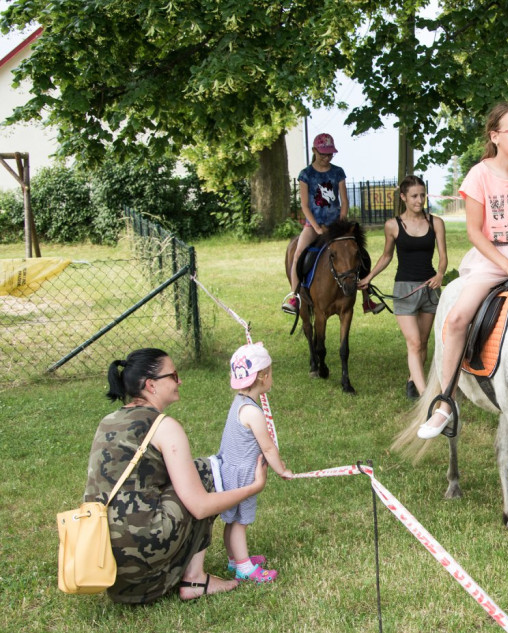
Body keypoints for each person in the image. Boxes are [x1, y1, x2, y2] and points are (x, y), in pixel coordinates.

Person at [83, 348, 269, 604]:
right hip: (142, 559)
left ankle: (178, 572)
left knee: (185, 473)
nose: (180, 381)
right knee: (206, 470)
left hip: (106, 566)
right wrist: (253, 487)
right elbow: (200, 506)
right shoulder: (164, 427)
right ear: (151, 385)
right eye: (173, 375)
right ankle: (195, 580)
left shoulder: (108, 420)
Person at [417, 102, 508, 439]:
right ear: (495, 136)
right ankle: (445, 402)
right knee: (457, 318)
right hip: (494, 259)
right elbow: (475, 232)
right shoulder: (479, 175)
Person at [358, 175, 449, 400]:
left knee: (424, 341)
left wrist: (440, 274)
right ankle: (424, 393)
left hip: (430, 287)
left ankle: (412, 379)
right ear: (403, 197)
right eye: (414, 196)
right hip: (404, 289)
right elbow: (387, 256)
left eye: (422, 195)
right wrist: (369, 277)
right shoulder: (393, 225)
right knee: (414, 342)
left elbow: (443, 256)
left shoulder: (435, 222)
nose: (420, 200)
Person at [215, 343, 293, 583]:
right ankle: (244, 568)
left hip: (229, 471)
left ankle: (233, 559)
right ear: (263, 376)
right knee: (240, 523)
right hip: (244, 477)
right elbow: (268, 446)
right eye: (270, 372)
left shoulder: (239, 402)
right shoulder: (253, 412)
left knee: (231, 521)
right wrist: (282, 469)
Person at [283, 132, 383, 316]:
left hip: (336, 225)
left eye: (330, 154)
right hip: (313, 225)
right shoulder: (306, 174)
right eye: (323, 154)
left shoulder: (338, 172)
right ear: (314, 151)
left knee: (360, 253)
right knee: (297, 254)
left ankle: (367, 298)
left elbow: (344, 201)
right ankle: (294, 297)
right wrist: (317, 228)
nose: (326, 157)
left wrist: (341, 222)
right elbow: (305, 206)